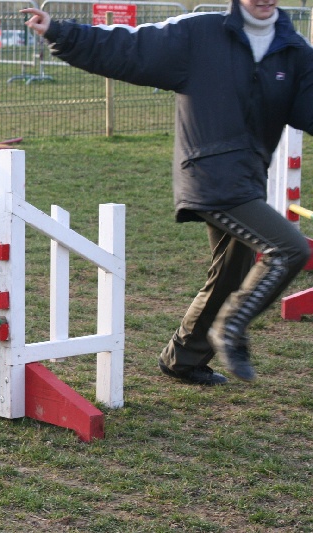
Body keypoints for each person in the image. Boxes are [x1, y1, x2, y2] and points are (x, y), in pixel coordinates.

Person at [21, 0, 312, 385]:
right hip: (208, 175)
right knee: (290, 248)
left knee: (232, 269)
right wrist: (60, 32)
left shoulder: (294, 50)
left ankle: (184, 359)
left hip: (248, 179)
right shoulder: (200, 34)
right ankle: (232, 327)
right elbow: (128, 48)